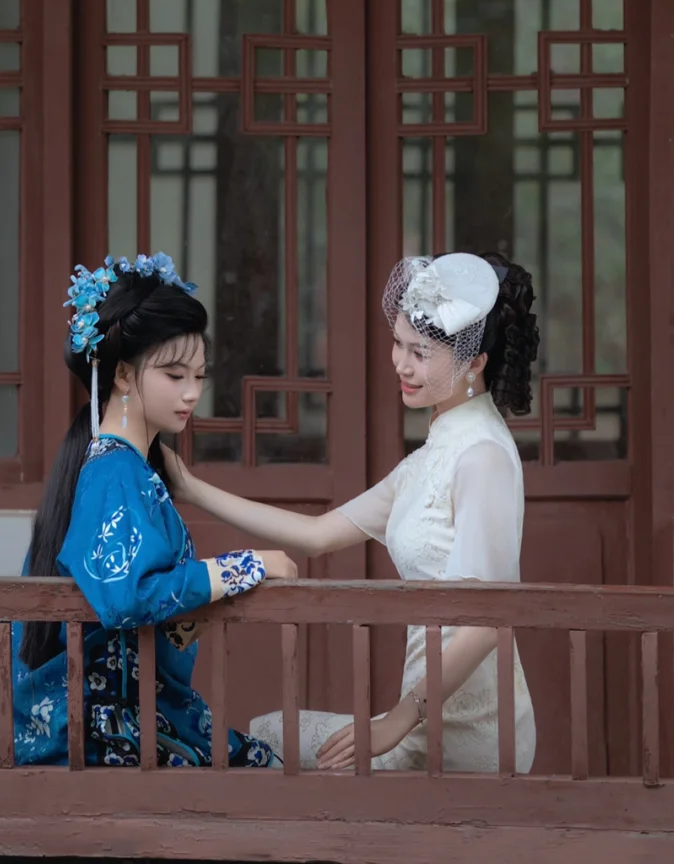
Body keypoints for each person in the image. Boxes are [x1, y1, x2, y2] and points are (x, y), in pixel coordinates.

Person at [165, 250, 539, 773]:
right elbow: (317, 534)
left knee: (268, 740)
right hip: (421, 717)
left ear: (474, 362)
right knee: (267, 734)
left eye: (420, 352)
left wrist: (397, 719)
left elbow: (485, 620)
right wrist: (189, 485)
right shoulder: (437, 453)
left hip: (467, 731)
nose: (401, 364)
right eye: (398, 344)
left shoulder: (482, 457)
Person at [0, 252, 295, 768]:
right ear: (123, 373)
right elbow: (128, 600)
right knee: (273, 772)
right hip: (99, 731)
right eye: (174, 375)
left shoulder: (125, 468)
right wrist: (248, 565)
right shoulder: (113, 471)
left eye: (199, 376)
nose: (192, 393)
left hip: (109, 719)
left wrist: (224, 592)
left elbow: (147, 624)